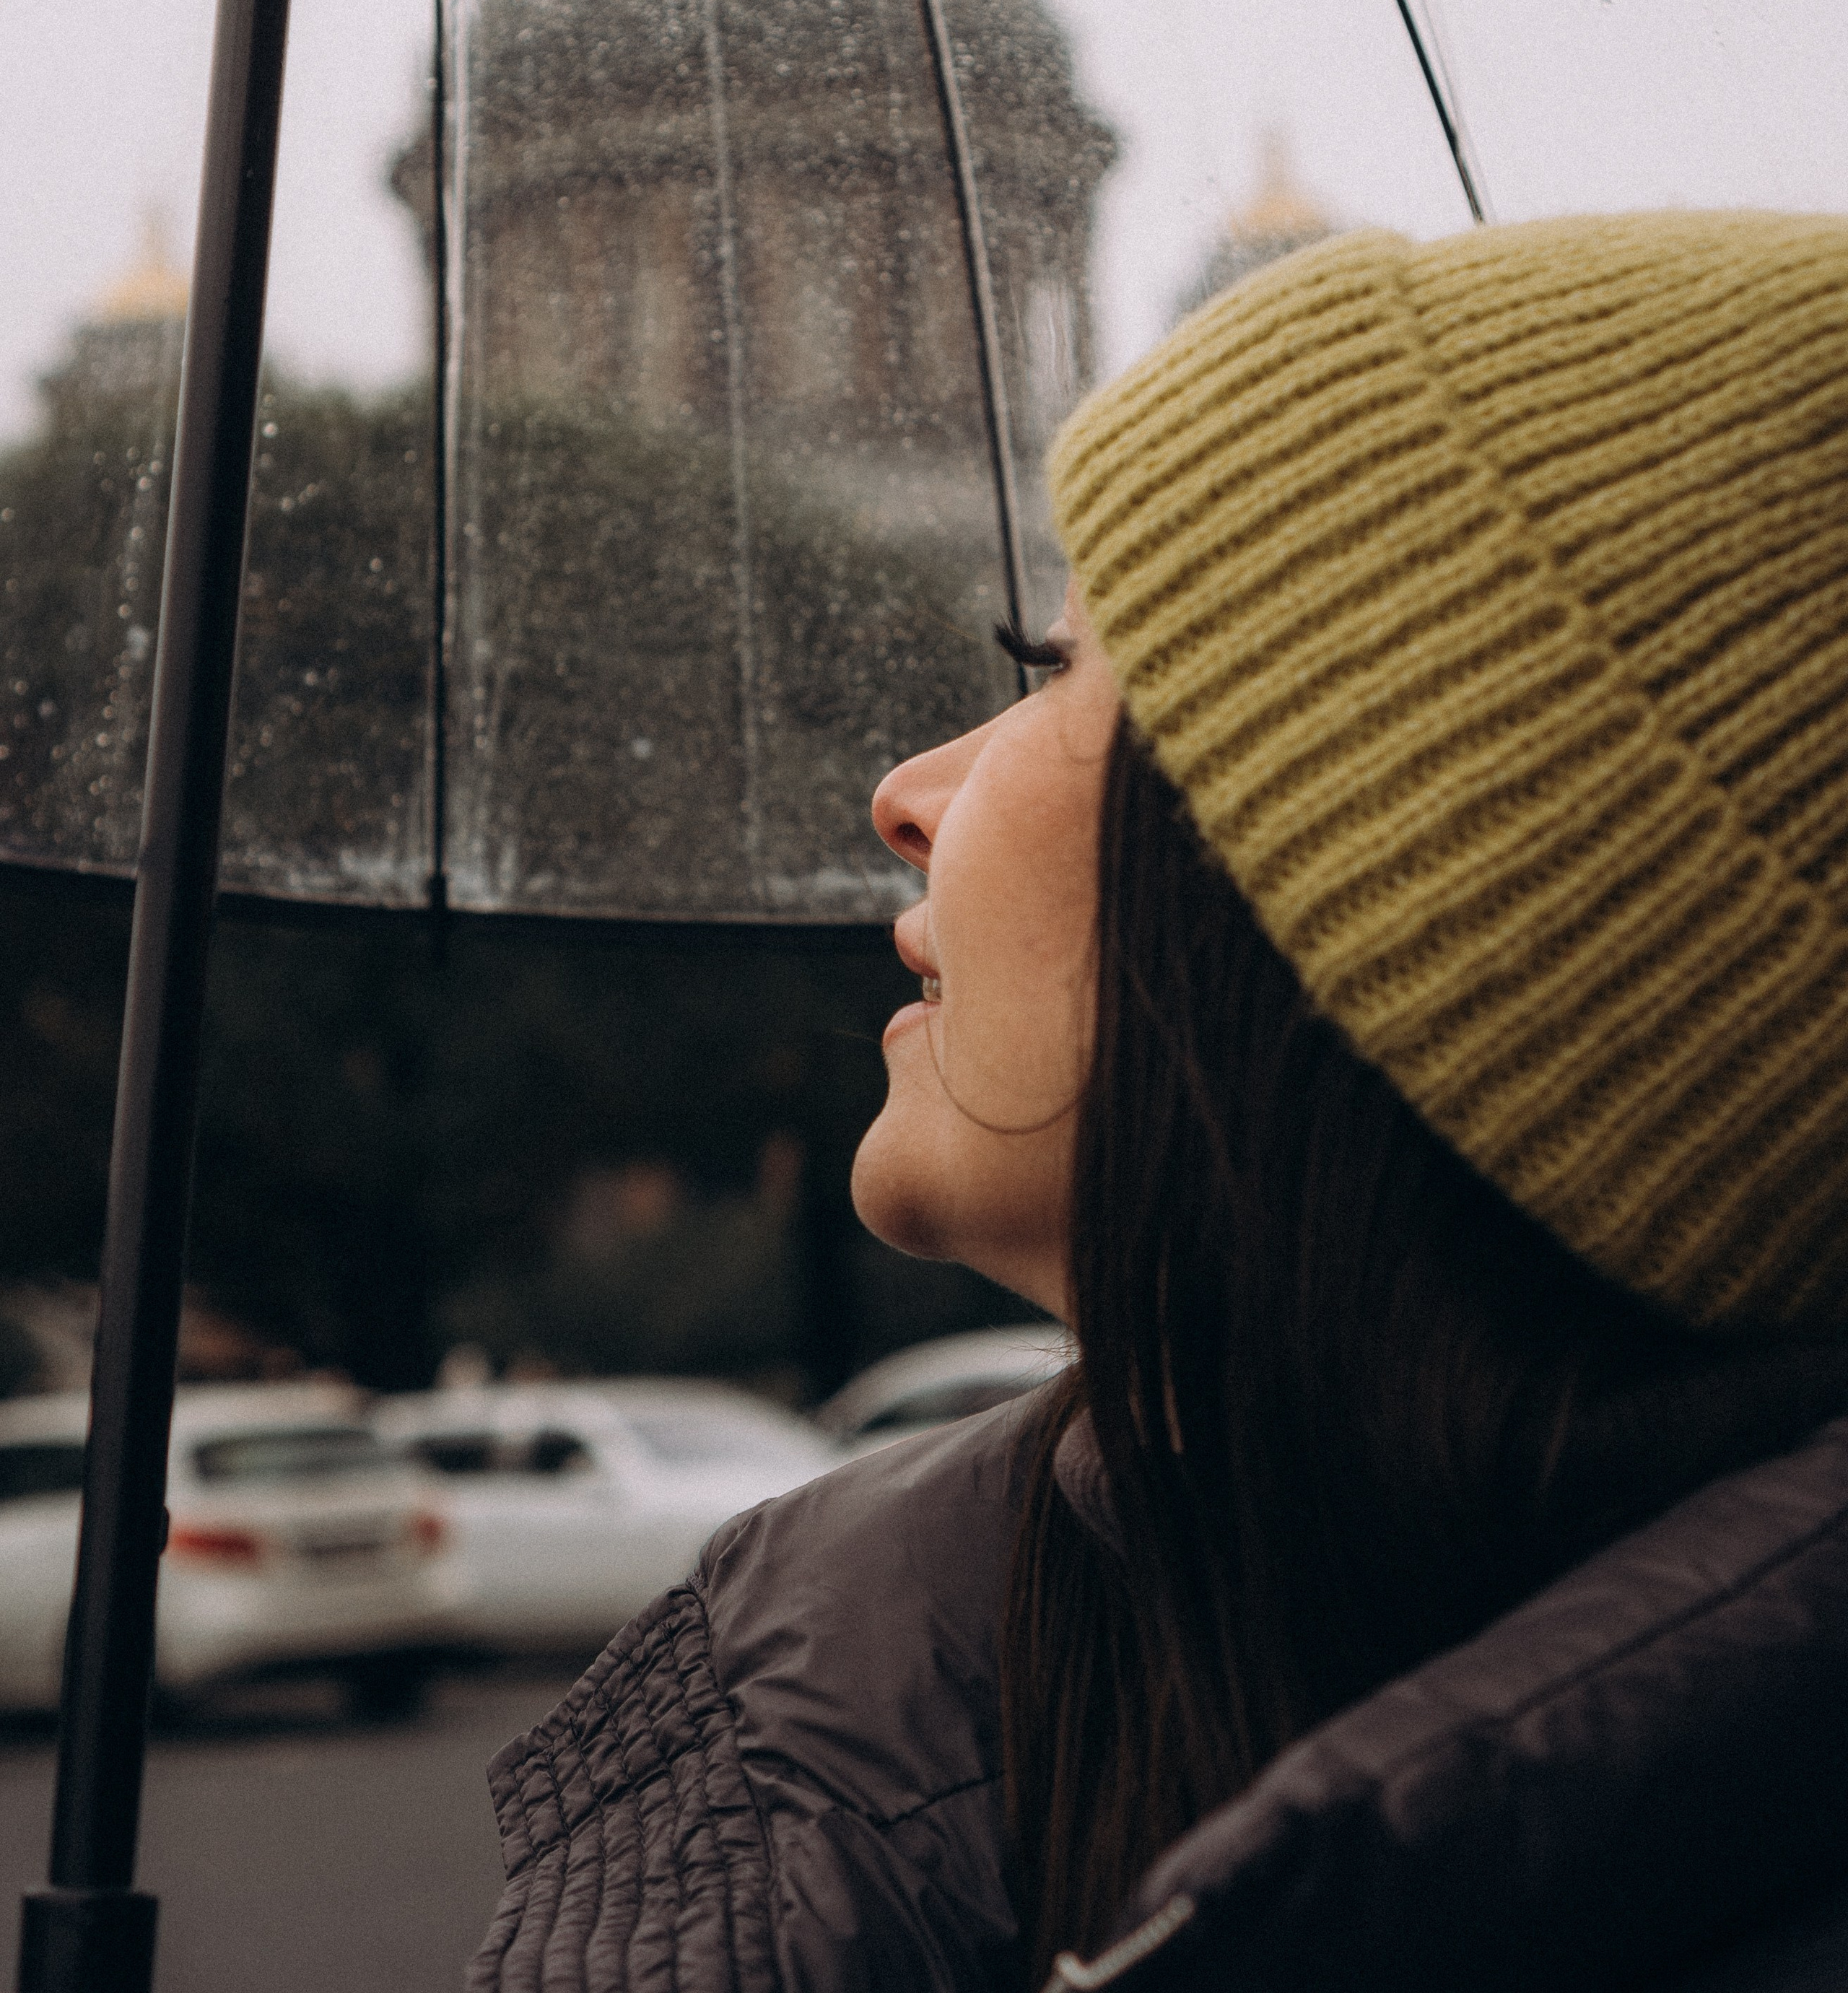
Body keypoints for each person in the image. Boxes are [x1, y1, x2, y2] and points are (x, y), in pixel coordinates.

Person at [469, 209, 1848, 1993]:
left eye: (1052, 670)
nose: (904, 793)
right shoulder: (852, 1675)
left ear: (1420, 901)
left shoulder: (878, 1688)